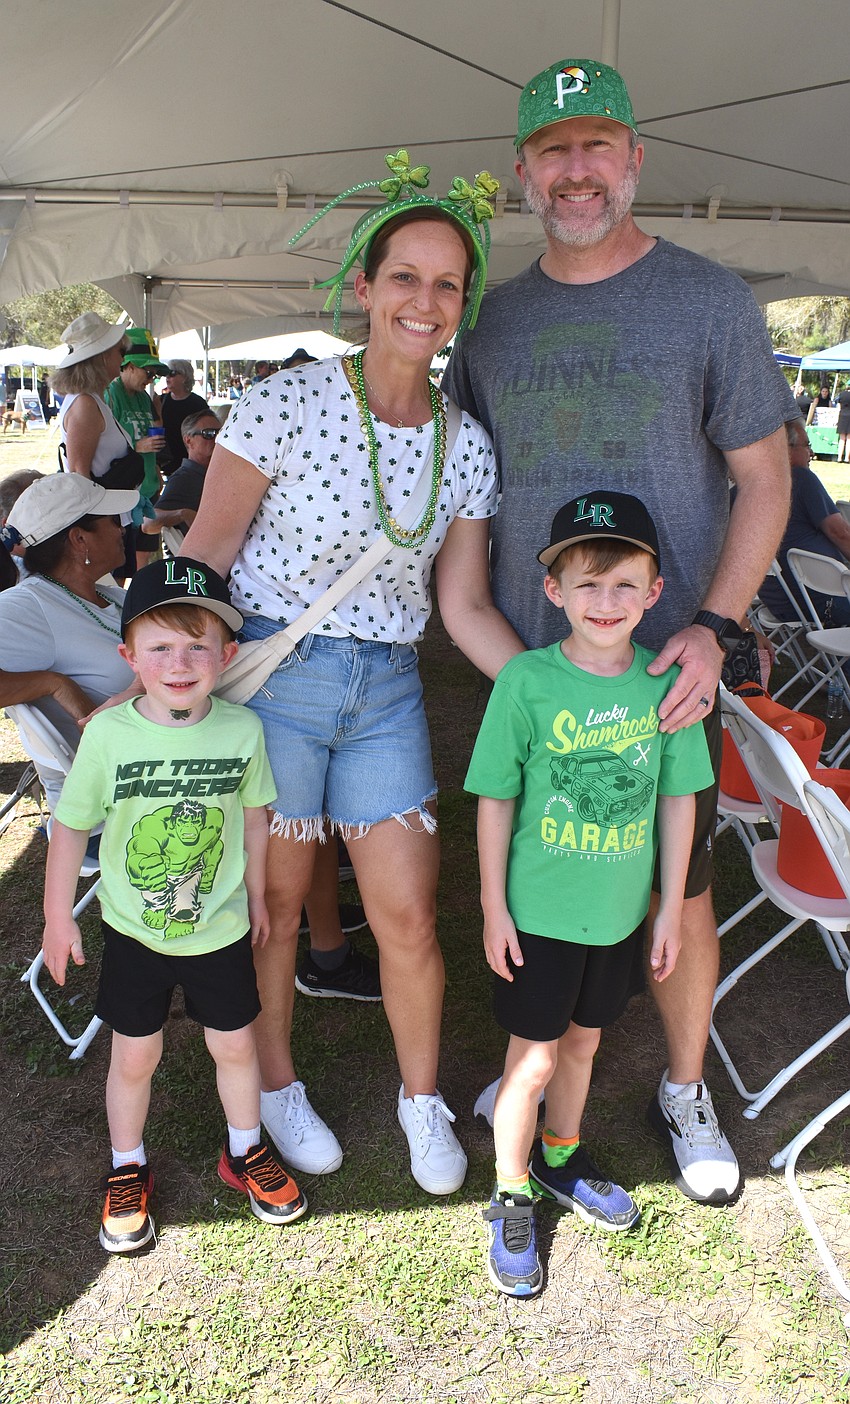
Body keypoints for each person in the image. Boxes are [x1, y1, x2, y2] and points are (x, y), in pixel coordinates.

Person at [443, 58, 796, 1206]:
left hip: (667, 672)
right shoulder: (490, 325)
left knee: (678, 890)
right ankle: (533, 1067)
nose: (577, 170)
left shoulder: (708, 301)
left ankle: (685, 1085)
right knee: (541, 882)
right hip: (538, 671)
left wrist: (711, 628)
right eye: (554, 151)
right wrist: (533, 682)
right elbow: (467, 502)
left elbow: (765, 478)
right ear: (522, 175)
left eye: (598, 146)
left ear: (635, 161)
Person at [181, 150, 523, 1195]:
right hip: (278, 676)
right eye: (405, 277)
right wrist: (175, 680)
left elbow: (461, 605)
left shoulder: (466, 443)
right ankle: (276, 1084)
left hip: (384, 690)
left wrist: (553, 693)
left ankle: (420, 1100)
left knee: (410, 917)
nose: (424, 301)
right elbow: (207, 556)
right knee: (276, 910)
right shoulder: (283, 403)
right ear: (365, 288)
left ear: (461, 306)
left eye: (446, 285)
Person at [466, 492, 713, 1296]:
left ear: (654, 592)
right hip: (538, 913)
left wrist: (668, 905)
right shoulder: (526, 682)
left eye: (622, 586)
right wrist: (494, 906)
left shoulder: (663, 686)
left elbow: (679, 799)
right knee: (531, 1063)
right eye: (586, 584)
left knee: (583, 1047)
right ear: (553, 592)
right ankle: (508, 1191)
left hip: (614, 916)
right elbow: (496, 796)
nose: (604, 603)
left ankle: (560, 1157)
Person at [41, 557, 307, 1253]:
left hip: (219, 928)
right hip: (136, 933)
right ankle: (127, 1166)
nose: (180, 662)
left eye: (198, 645)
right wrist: (57, 914)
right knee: (135, 1057)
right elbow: (71, 825)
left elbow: (255, 815)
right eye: (160, 647)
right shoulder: (108, 735)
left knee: (236, 1044)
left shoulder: (241, 731)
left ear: (228, 654)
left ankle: (245, 1151)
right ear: (130, 656)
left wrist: (255, 893)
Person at [0, 475, 140, 804]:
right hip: (113, 805)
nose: (122, 529)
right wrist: (54, 683)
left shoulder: (108, 594)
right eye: (112, 521)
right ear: (79, 539)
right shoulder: (30, 606)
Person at [757, 419, 850, 625]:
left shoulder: (743, 490)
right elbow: (840, 533)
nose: (811, 453)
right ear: (785, 450)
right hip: (819, 599)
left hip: (779, 601)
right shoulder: (800, 479)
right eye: (807, 445)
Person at [104, 327, 170, 571]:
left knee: (144, 565)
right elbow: (105, 444)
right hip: (124, 496)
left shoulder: (144, 397)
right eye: (148, 371)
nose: (151, 378)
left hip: (147, 492)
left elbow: (151, 432)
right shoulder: (110, 394)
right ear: (129, 365)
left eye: (154, 374)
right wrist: (138, 446)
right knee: (120, 565)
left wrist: (156, 471)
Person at [50, 314, 140, 484]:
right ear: (104, 356)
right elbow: (79, 474)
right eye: (121, 351)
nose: (123, 358)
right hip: (102, 509)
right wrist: (104, 512)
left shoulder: (90, 400)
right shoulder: (85, 404)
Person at [151, 410, 222, 538]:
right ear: (189, 440)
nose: (217, 439)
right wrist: (182, 514)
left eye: (221, 433)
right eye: (208, 434)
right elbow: (148, 523)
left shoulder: (218, 473)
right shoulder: (184, 479)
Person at [159, 360, 211, 475]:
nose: (168, 377)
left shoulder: (198, 403)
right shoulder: (161, 400)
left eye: (172, 373)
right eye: (166, 374)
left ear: (184, 377)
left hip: (190, 462)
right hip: (166, 461)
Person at [836, 381, 850, 464]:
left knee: (842, 439)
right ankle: (846, 458)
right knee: (849, 439)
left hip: (842, 416)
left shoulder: (842, 394)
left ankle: (839, 457)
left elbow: (838, 404)